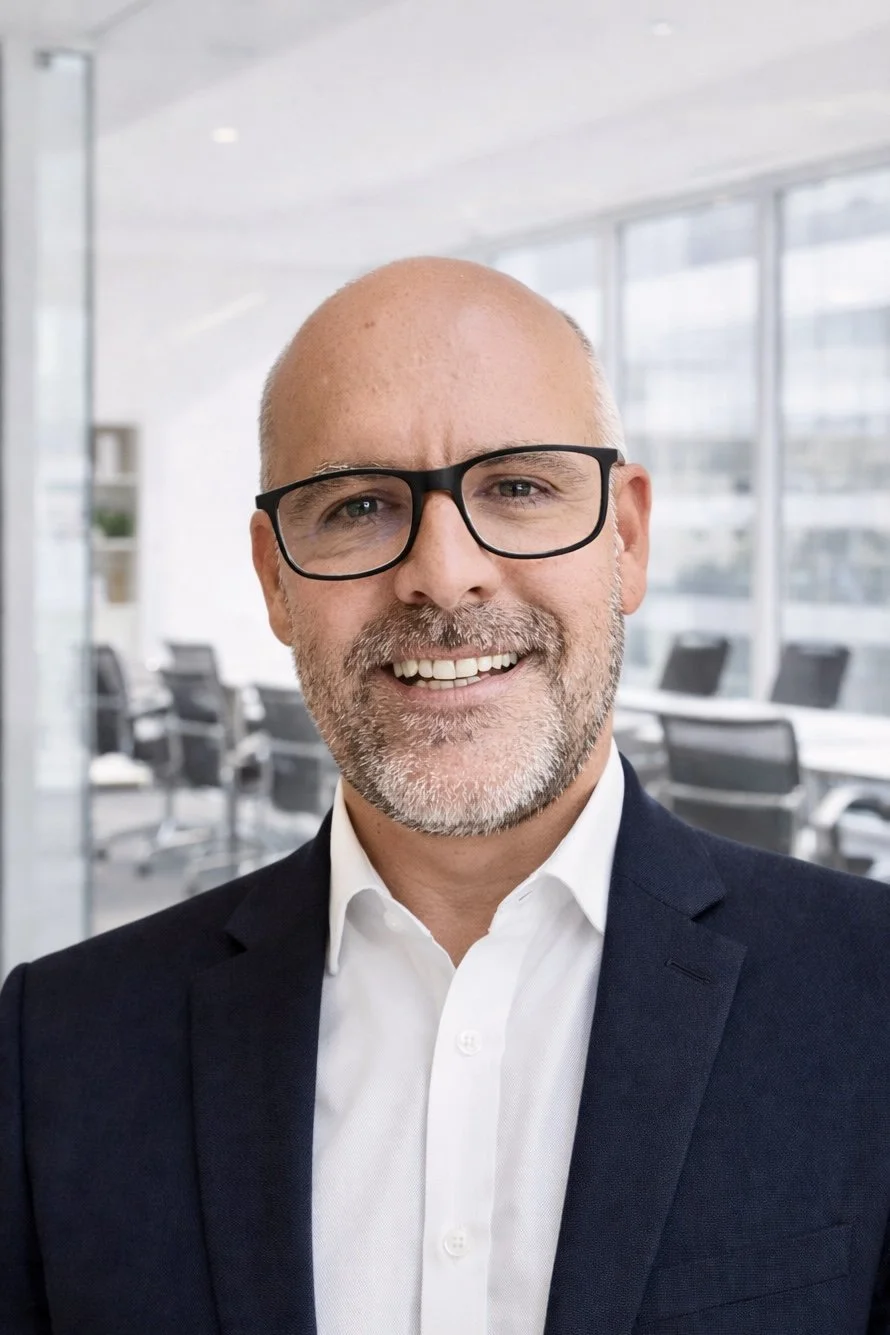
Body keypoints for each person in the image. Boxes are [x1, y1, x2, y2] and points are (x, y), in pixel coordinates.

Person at [1, 258, 888, 1335]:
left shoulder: (869, 999)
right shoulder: (61, 1046)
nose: (443, 572)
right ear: (275, 579)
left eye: (517, 488)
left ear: (626, 538)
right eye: (359, 505)